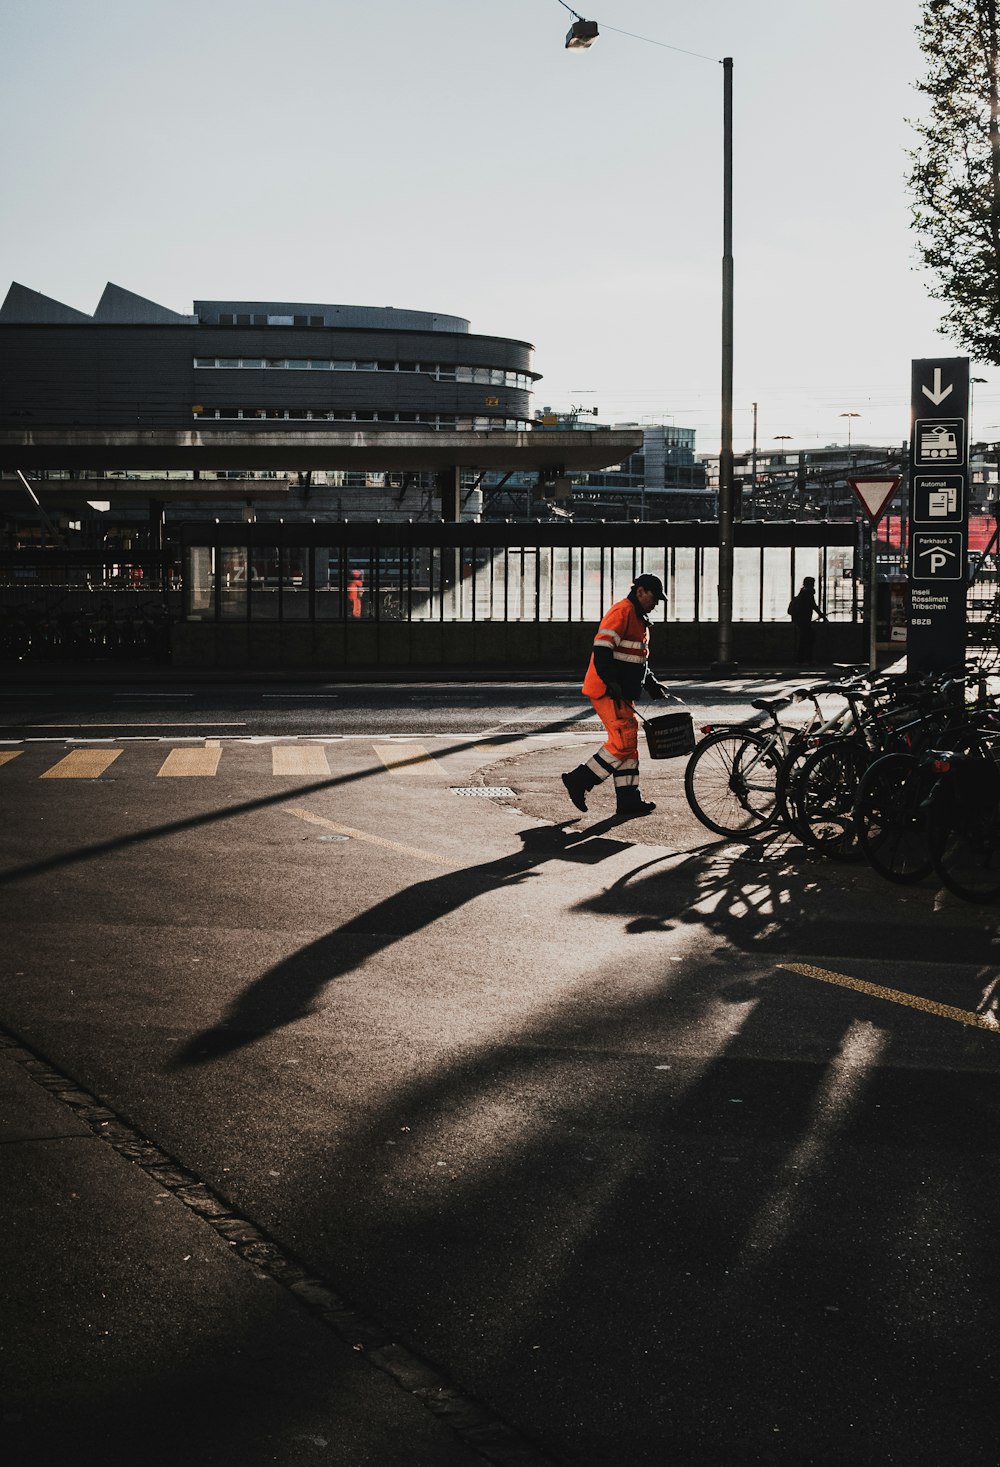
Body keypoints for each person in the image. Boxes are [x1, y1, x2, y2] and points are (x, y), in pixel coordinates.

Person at [561, 572, 670, 818]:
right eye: (654, 598)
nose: (656, 604)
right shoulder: (622, 612)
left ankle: (629, 800)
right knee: (622, 742)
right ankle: (579, 780)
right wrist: (611, 682)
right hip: (609, 690)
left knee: (628, 744)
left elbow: (636, 659)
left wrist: (651, 683)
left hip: (619, 691)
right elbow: (601, 650)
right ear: (640, 592)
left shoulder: (638, 617)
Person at [788, 575, 827, 663]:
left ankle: (801, 658)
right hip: (804, 620)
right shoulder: (808, 593)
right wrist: (823, 617)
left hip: (800, 620)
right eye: (813, 583)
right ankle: (806, 658)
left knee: (804, 639)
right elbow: (814, 606)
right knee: (809, 638)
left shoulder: (802, 592)